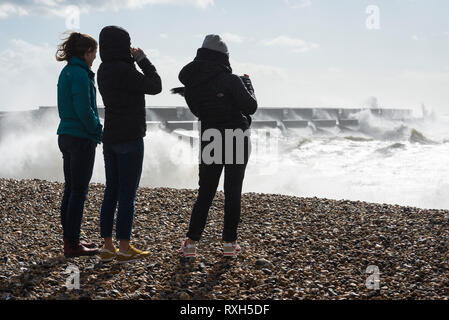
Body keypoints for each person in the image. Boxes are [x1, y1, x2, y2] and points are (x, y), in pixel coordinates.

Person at [175, 34, 258, 258]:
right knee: (233, 191)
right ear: (224, 56)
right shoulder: (231, 80)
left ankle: (191, 244)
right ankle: (229, 245)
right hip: (236, 136)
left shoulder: (192, 83)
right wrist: (248, 84)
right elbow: (250, 107)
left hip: (210, 136)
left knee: (206, 192)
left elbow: (198, 112)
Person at [97, 26, 162, 264]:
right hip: (131, 138)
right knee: (127, 194)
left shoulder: (102, 70)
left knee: (111, 191)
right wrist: (142, 59)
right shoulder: (126, 70)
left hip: (110, 137)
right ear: (124, 45)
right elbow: (155, 86)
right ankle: (124, 248)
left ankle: (107, 247)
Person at [56, 32, 103, 258]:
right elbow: (85, 109)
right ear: (87, 52)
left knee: (70, 189)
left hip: (65, 135)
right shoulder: (81, 74)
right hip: (80, 137)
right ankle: (73, 244)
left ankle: (70, 239)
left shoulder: (66, 72)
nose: (96, 58)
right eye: (95, 53)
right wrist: (98, 130)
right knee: (78, 192)